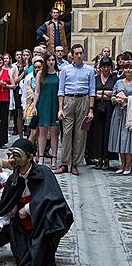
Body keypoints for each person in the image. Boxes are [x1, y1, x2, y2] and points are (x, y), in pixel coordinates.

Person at [0, 139, 73, 266]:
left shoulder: (44, 172)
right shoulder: (13, 179)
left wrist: (28, 208)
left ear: (29, 157)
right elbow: (7, 208)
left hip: (41, 226)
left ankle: (45, 250)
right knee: (24, 261)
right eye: (10, 156)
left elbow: (54, 200)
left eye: (16, 156)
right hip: (21, 227)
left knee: (39, 263)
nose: (12, 160)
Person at [55, 44, 95, 176]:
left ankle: (76, 164)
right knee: (66, 133)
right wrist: (60, 108)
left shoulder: (90, 70)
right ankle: (65, 163)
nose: (79, 55)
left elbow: (92, 91)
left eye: (81, 53)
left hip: (83, 100)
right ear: (72, 55)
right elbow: (61, 90)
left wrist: (90, 109)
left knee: (80, 135)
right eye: (76, 53)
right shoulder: (65, 70)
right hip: (68, 100)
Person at [85, 56, 117, 170]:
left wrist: (104, 95)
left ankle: (107, 158)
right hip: (97, 108)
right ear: (100, 67)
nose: (106, 69)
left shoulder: (114, 79)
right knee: (97, 133)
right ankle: (99, 158)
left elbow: (115, 93)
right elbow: (92, 92)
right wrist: (103, 94)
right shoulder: (96, 78)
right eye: (104, 66)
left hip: (110, 109)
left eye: (108, 66)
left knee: (108, 132)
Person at [34, 52, 60, 170]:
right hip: (43, 104)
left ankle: (54, 158)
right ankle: (41, 157)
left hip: (54, 103)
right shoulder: (40, 74)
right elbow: (37, 91)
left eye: (52, 60)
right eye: (49, 60)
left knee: (54, 132)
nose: (51, 62)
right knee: (42, 132)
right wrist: (34, 105)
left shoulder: (59, 73)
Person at [108, 56, 132, 175]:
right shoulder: (118, 82)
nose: (128, 70)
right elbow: (112, 96)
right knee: (119, 139)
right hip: (118, 113)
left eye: (130, 68)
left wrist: (127, 99)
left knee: (127, 139)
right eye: (126, 68)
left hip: (129, 115)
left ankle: (128, 165)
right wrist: (116, 99)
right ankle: (122, 164)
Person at [21, 56, 43, 142]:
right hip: (31, 106)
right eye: (35, 67)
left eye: (39, 67)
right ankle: (30, 150)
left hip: (42, 106)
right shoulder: (29, 77)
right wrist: (24, 107)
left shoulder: (45, 77)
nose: (37, 69)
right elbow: (25, 94)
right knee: (33, 132)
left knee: (41, 132)